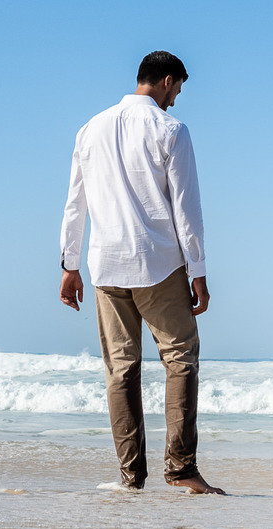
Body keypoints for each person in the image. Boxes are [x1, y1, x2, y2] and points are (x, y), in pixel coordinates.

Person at [58, 50, 223, 494]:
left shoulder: (89, 128)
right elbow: (187, 210)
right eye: (178, 90)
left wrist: (69, 265)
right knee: (181, 358)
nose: (176, 100)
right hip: (158, 263)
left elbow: (76, 203)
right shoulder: (171, 130)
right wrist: (199, 272)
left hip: (105, 266)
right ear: (167, 81)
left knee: (120, 370)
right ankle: (181, 469)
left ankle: (132, 478)